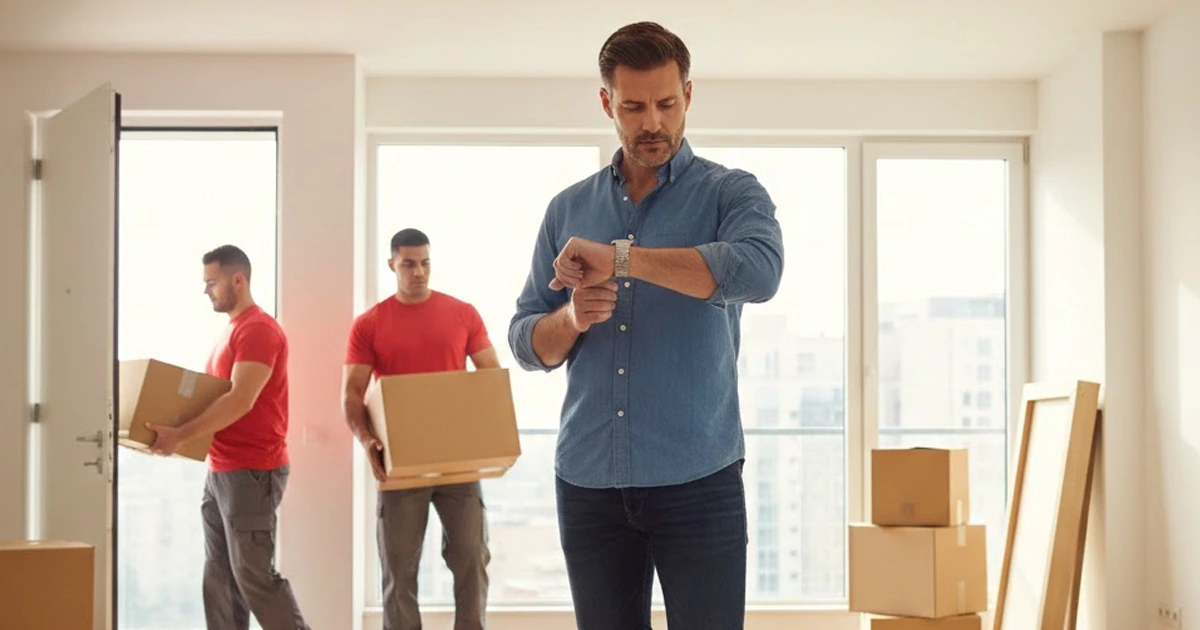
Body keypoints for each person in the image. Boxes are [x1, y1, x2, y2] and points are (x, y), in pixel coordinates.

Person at [507, 21, 785, 630]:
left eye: (666, 103)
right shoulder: (566, 209)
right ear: (607, 103)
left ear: (689, 94)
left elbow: (761, 272)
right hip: (587, 483)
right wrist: (572, 317)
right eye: (633, 107)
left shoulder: (730, 193)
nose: (651, 122)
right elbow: (527, 341)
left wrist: (622, 258)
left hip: (698, 481)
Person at [343, 228, 500, 630]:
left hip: (457, 460)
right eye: (409, 263)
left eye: (426, 262)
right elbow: (352, 395)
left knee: (471, 556)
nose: (419, 272)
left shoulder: (463, 313)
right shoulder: (369, 324)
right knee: (398, 569)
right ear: (392, 264)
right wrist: (367, 441)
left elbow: (490, 379)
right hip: (400, 463)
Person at [147, 244, 310, 630]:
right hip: (221, 470)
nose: (207, 291)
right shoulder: (231, 332)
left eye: (213, 283)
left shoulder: (259, 330)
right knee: (219, 579)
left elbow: (240, 400)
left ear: (239, 280)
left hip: (252, 470)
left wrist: (181, 435)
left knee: (253, 578)